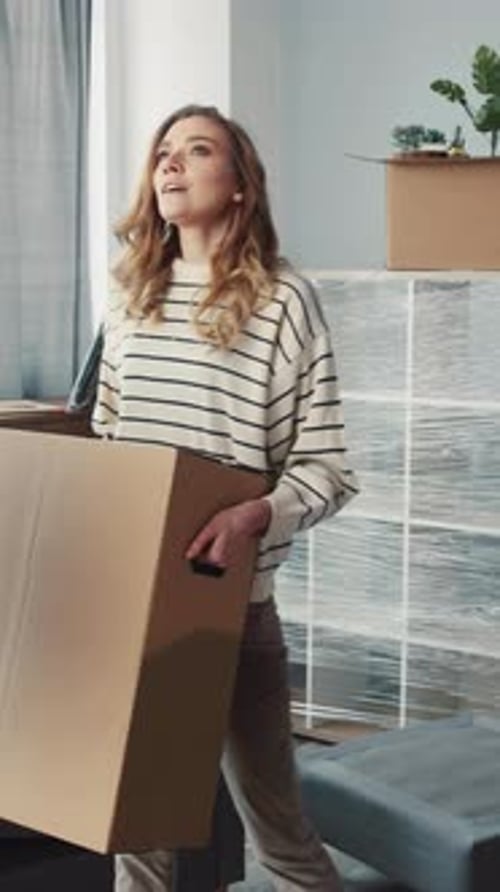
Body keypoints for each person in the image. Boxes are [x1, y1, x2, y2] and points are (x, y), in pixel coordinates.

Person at [92, 103, 359, 892]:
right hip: (136, 601)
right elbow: (109, 437)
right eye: (163, 152)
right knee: (137, 836)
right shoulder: (130, 297)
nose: (170, 163)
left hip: (234, 608)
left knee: (278, 837)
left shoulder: (283, 302)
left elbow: (327, 466)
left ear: (240, 186)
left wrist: (254, 516)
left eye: (197, 150)